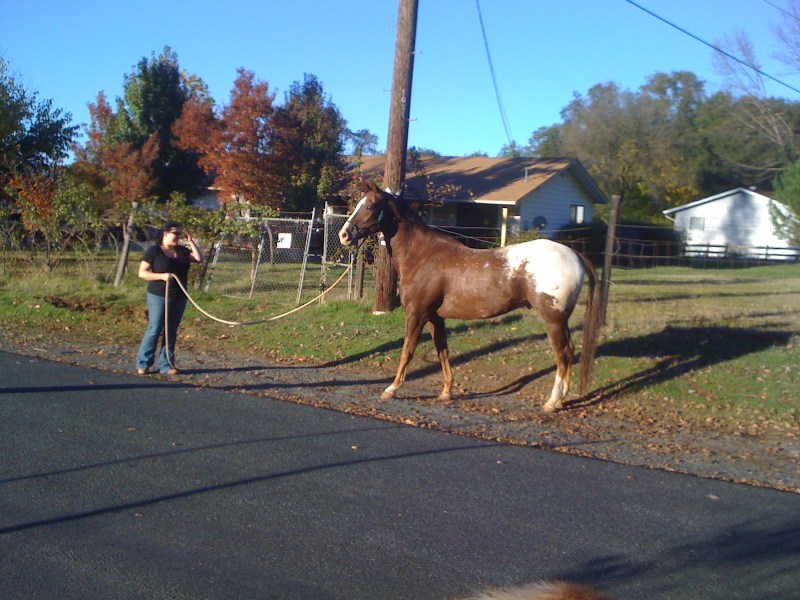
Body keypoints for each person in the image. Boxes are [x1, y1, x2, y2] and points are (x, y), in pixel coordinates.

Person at [135, 221, 204, 375]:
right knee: (155, 328)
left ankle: (166, 365)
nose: (178, 236)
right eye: (175, 233)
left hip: (179, 296)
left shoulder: (181, 251)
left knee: (171, 330)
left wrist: (191, 241)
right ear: (165, 233)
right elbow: (142, 273)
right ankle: (143, 363)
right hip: (158, 295)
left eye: (180, 234)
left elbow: (199, 259)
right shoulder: (154, 251)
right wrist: (161, 276)